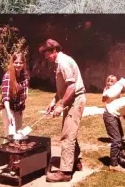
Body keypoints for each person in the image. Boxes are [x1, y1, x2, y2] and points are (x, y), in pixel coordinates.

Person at [40, 39, 86, 183]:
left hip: (75, 100)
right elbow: (64, 88)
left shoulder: (64, 62)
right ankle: (76, 162)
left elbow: (71, 88)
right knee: (70, 131)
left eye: (46, 53)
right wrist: (54, 102)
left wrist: (61, 106)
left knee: (67, 136)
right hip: (71, 99)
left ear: (54, 51)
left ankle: (65, 172)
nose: (45, 56)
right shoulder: (60, 61)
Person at [0, 52, 29, 137]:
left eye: (20, 63)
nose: (18, 65)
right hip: (8, 108)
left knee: (18, 132)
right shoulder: (7, 76)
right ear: (12, 63)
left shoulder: (24, 76)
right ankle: (5, 149)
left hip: (18, 109)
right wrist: (9, 113)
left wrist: (25, 94)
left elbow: (25, 89)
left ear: (23, 64)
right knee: (11, 134)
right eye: (16, 62)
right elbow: (5, 97)